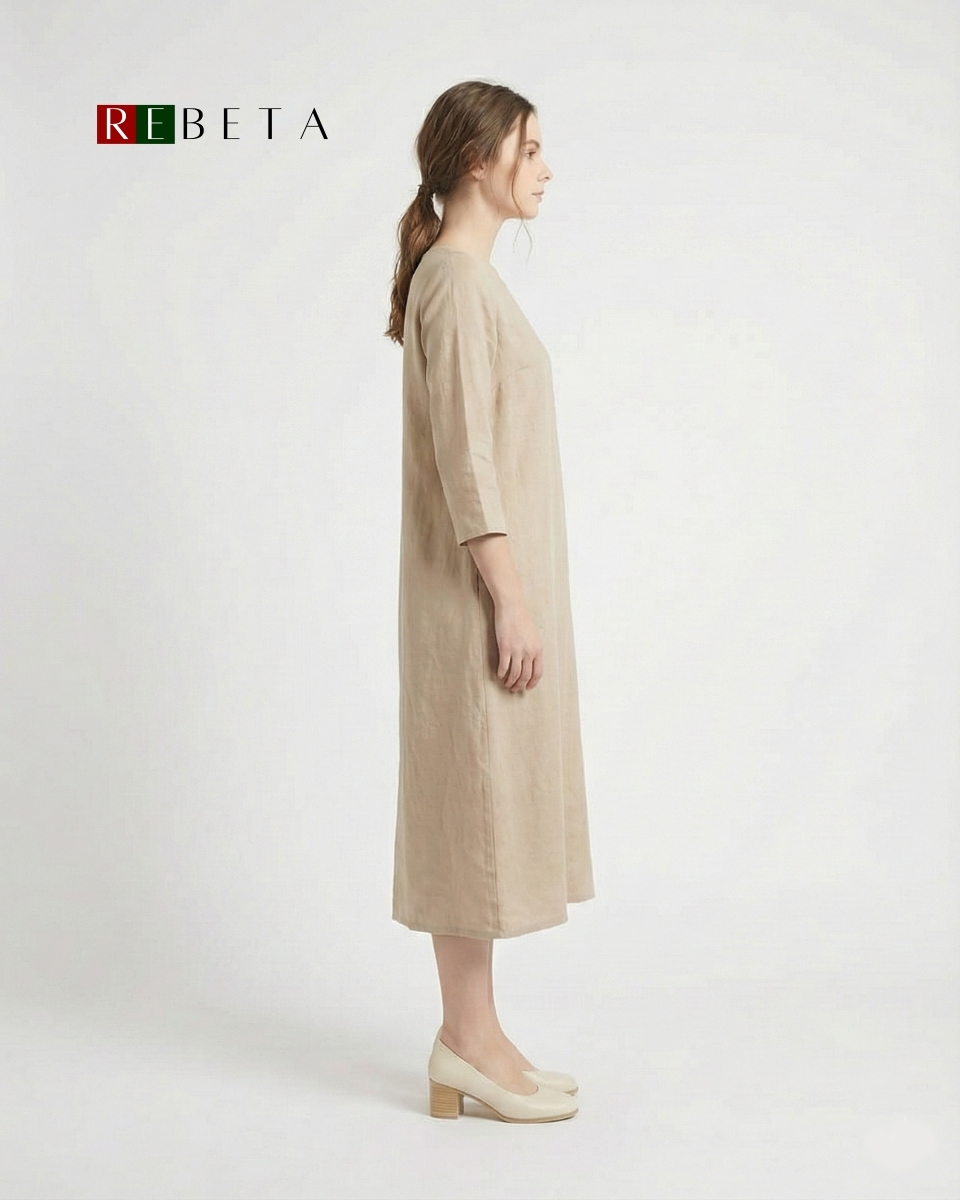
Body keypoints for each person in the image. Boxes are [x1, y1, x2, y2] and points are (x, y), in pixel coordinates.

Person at [384, 80, 595, 1123]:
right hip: (474, 594)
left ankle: (478, 1037)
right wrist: (509, 598)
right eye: (532, 147)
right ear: (479, 160)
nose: (548, 168)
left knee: (478, 808)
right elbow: (466, 460)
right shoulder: (457, 283)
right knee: (470, 810)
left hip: (480, 587)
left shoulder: (459, 278)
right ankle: (466, 1043)